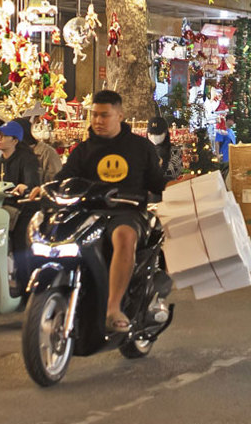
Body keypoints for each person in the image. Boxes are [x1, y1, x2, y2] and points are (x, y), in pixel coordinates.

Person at [55, 91, 169, 336]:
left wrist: (179, 185)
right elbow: (63, 179)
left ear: (120, 115)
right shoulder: (82, 151)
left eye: (104, 115)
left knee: (124, 236)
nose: (98, 120)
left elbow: (157, 183)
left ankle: (113, 308)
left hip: (127, 213)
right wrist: (42, 189)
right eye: (94, 115)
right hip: (88, 214)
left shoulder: (141, 148)